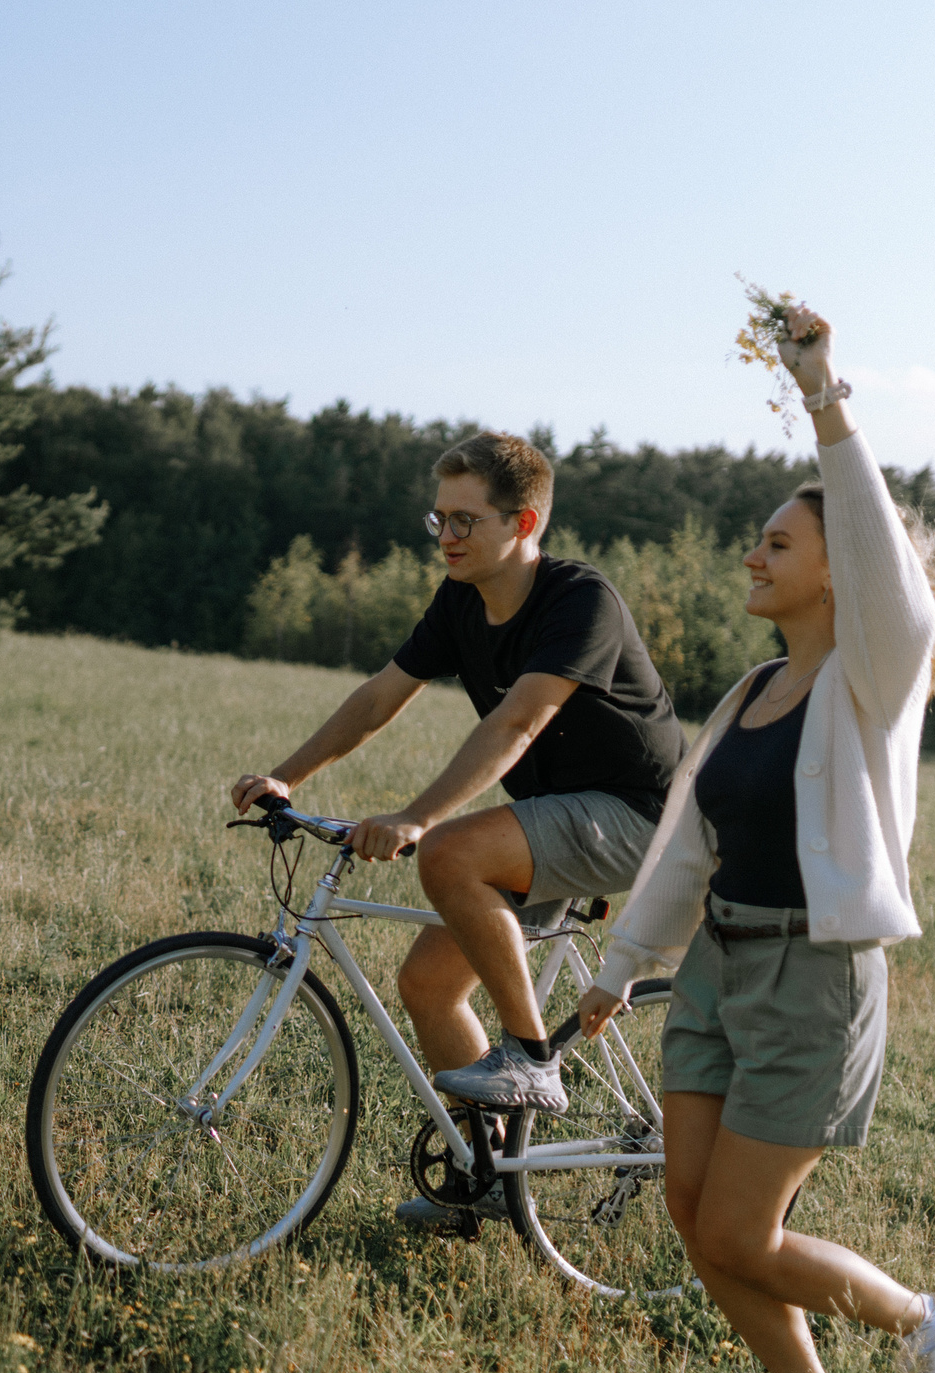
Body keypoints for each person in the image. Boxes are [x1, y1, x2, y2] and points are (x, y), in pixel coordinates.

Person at [575, 303, 935, 1373]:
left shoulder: (870, 691)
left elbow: (900, 597)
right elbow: (688, 848)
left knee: (741, 1230)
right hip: (722, 966)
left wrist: (823, 393)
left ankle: (932, 1324)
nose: (753, 554)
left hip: (814, 980)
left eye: (778, 543)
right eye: (758, 540)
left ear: (837, 577)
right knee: (690, 1210)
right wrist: (625, 966)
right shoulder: (749, 694)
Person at [230, 431, 686, 1223]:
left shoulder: (582, 600)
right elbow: (381, 694)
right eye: (438, 518)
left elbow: (518, 722)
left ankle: (532, 1059)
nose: (446, 536)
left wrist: (417, 817)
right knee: (430, 985)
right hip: (550, 821)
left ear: (525, 522)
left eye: (466, 520)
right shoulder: (461, 602)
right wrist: (287, 775)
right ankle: (490, 1172)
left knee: (450, 851)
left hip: (639, 816)